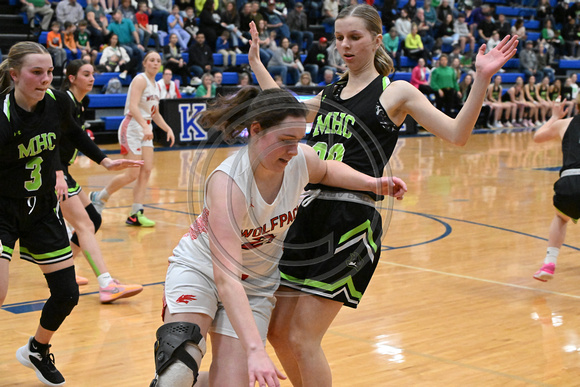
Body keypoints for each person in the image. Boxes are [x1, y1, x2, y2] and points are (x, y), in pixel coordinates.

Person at [248, 4, 518, 385]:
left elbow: (457, 134)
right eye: (340, 37)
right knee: (277, 333)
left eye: (355, 37)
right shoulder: (330, 93)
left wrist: (481, 79)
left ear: (377, 41)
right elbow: (284, 109)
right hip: (306, 216)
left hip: (351, 220)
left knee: (302, 337)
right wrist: (258, 64)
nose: (345, 45)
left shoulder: (396, 93)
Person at [148, 86, 407, 387]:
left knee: (230, 384)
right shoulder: (228, 184)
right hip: (202, 271)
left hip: (256, 285)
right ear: (255, 130)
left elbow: (325, 170)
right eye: (285, 141)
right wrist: (256, 351)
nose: (293, 150)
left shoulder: (299, 160)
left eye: (298, 140)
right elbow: (226, 279)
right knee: (178, 368)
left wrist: (373, 182)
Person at [0, 41, 141, 386]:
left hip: (42, 209)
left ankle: (37, 349)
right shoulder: (3, 118)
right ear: (15, 75)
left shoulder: (57, 103)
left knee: (67, 293)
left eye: (49, 71)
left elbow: (73, 132)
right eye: (37, 72)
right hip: (3, 210)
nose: (45, 78)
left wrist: (104, 160)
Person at [59, 59, 145, 300]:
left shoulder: (80, 103)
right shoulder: (62, 100)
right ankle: (106, 284)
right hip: (52, 174)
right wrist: (57, 172)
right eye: (86, 74)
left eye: (93, 74)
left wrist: (106, 161)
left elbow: (78, 138)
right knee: (84, 224)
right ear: (72, 77)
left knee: (92, 219)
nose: (92, 79)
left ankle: (64, 272)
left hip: (62, 171)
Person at [90, 51, 176, 226]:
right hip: (132, 127)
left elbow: (155, 112)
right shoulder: (140, 80)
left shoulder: (157, 85)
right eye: (151, 60)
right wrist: (144, 125)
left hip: (145, 128)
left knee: (147, 170)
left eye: (158, 60)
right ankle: (99, 197)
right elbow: (133, 106)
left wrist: (168, 128)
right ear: (144, 63)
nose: (155, 63)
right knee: (132, 173)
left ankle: (136, 213)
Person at [533, 98, 580, 282]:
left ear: (576, 106)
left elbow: (538, 137)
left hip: (568, 180)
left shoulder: (565, 123)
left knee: (561, 217)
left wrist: (553, 117)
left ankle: (549, 263)